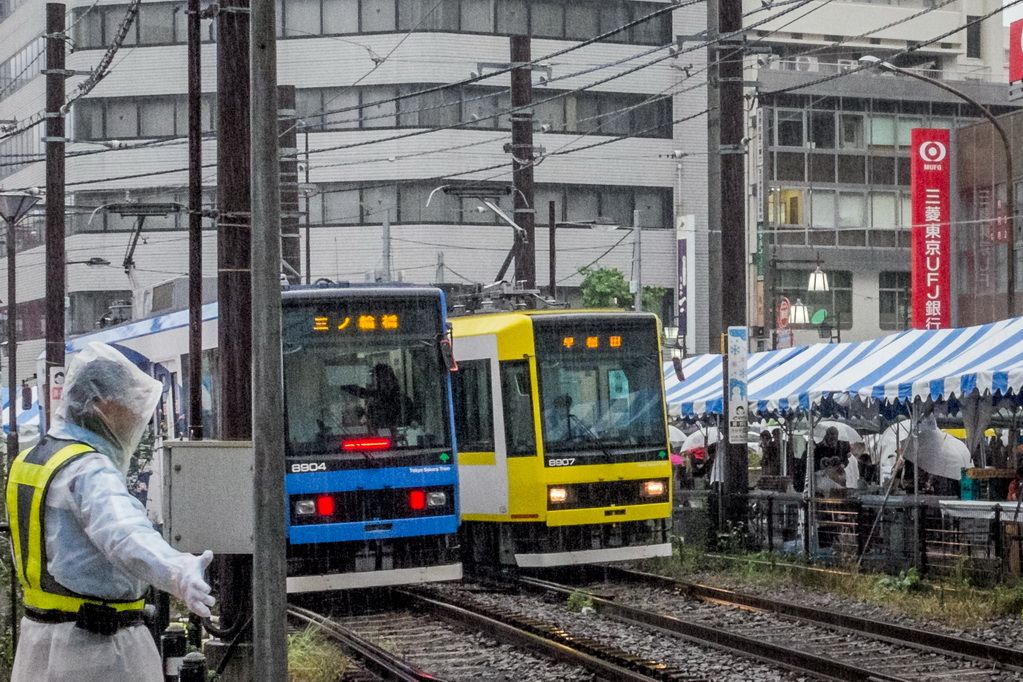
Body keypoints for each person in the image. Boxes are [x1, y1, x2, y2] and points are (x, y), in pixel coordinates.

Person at [6, 342, 216, 681]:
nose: (137, 418)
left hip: (39, 643)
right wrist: (177, 570)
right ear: (103, 404)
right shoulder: (88, 470)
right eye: (131, 406)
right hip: (98, 651)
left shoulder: (32, 460)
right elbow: (124, 532)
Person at [342, 363, 413, 433]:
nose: (373, 383)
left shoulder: (402, 400)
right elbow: (360, 392)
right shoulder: (376, 396)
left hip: (395, 438)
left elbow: (411, 423)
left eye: (376, 379)